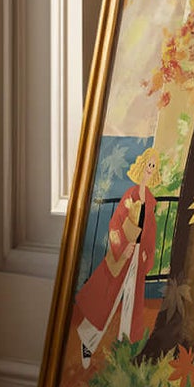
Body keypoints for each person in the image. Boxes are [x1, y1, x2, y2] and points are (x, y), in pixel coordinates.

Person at [74, 148, 156, 367]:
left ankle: (125, 345)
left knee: (131, 299)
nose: (150, 169)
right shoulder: (130, 195)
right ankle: (88, 341)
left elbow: (150, 231)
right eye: (148, 164)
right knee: (108, 298)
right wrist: (123, 248)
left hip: (137, 257)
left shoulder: (150, 200)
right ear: (141, 166)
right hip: (122, 257)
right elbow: (115, 224)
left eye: (153, 166)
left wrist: (146, 253)